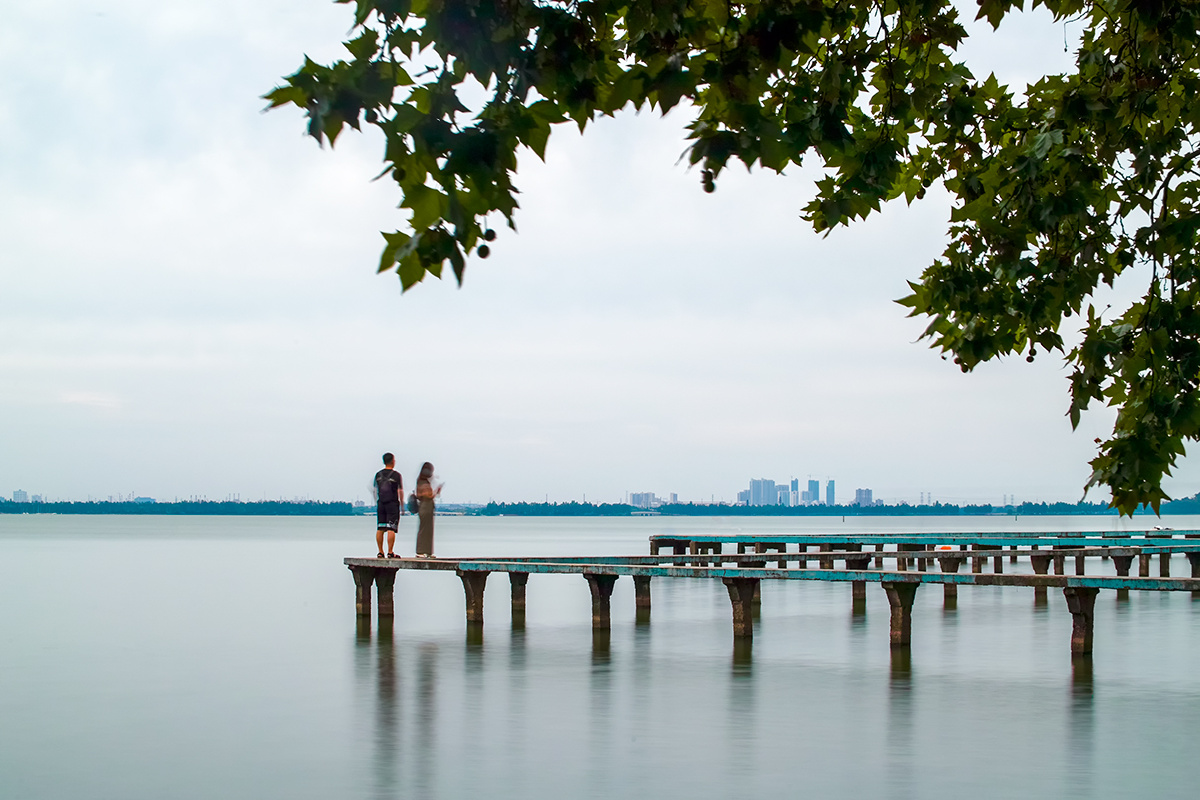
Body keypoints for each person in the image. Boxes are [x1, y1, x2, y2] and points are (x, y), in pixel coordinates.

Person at [373, 453, 403, 558]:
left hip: (381, 503)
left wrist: (376, 501)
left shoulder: (378, 475)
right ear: (392, 461)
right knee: (391, 528)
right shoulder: (396, 475)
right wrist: (402, 505)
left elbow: (374, 490)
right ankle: (390, 552)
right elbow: (400, 491)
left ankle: (380, 552)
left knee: (380, 527)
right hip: (392, 503)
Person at [414, 461, 442, 558]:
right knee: (425, 529)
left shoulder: (420, 481)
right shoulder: (424, 483)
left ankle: (427, 551)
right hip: (426, 505)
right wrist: (436, 491)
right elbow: (428, 495)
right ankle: (421, 551)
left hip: (426, 506)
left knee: (428, 529)